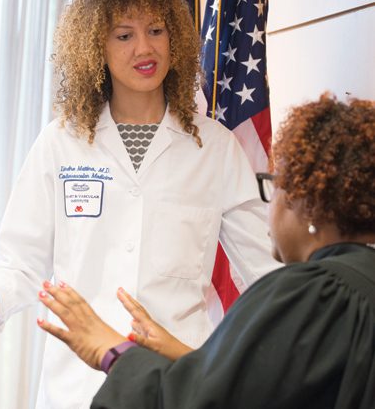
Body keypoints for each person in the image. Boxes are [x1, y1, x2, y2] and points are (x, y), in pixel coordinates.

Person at [0, 0, 278, 408]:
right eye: (124, 35)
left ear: (177, 40)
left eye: (156, 30)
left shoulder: (216, 147)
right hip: (77, 385)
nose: (145, 48)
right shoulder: (61, 141)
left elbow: (266, 273)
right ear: (97, 47)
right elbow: (20, 263)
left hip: (174, 383)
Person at [37, 94, 375, 409]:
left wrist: (109, 350)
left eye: (275, 185)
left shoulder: (312, 295)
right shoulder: (360, 290)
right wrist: (182, 354)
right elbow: (256, 393)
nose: (269, 204)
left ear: (310, 202)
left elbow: (202, 402)